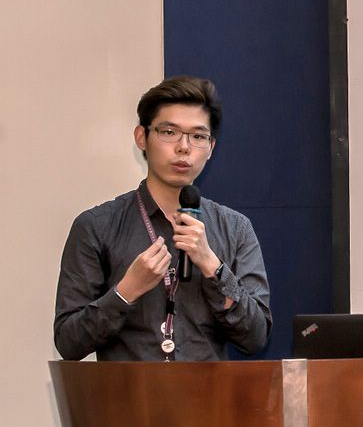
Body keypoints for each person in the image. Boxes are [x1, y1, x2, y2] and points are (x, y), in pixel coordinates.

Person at [54, 76, 271, 361]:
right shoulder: (96, 226)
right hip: (128, 390)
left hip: (209, 390)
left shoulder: (235, 228)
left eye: (198, 136)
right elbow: (69, 342)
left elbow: (256, 338)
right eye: (169, 132)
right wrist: (126, 291)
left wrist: (212, 266)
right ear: (141, 137)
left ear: (211, 147)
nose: (184, 147)